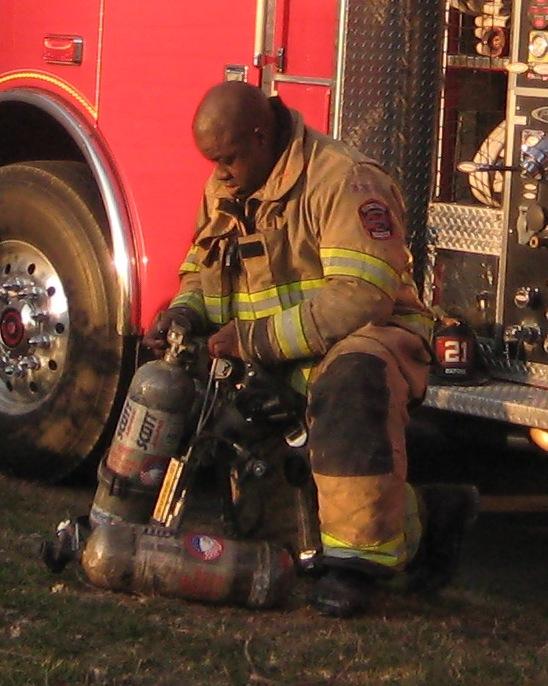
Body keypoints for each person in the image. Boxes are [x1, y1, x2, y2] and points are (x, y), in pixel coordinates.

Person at [144, 81, 478, 617]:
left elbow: (363, 296)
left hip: (365, 345)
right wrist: (183, 311)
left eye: (227, 159)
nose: (219, 173)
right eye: (213, 162)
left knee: (352, 381)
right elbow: (200, 267)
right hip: (279, 358)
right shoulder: (225, 188)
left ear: (259, 136)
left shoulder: (343, 180)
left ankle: (354, 569)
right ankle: (431, 517)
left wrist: (256, 341)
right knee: (274, 527)